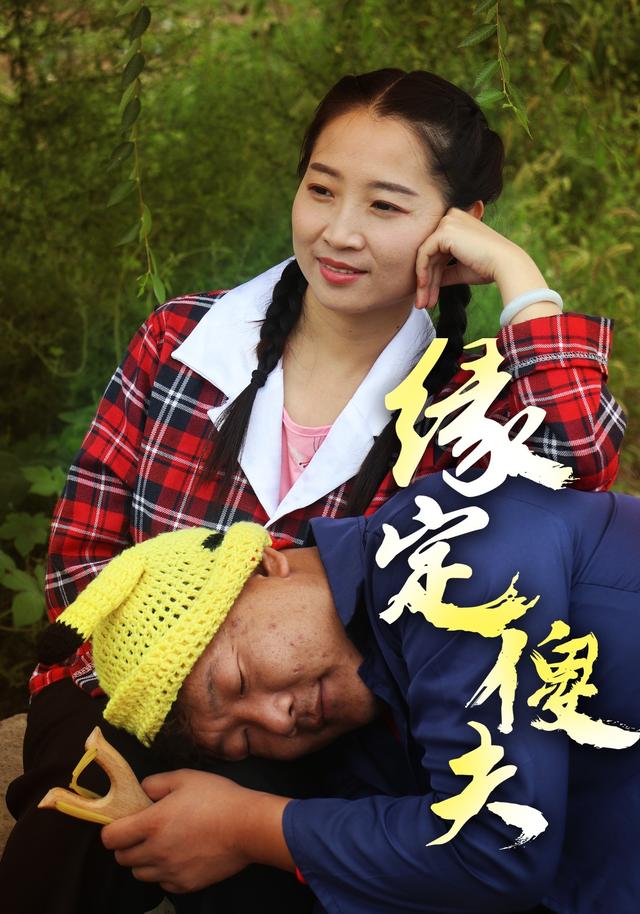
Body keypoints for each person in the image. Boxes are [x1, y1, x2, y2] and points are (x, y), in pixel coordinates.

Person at [0, 67, 626, 914]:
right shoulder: (184, 338)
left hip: (333, 742)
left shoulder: (463, 403)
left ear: (457, 228)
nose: (339, 232)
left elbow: (574, 466)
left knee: (256, 852)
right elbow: (83, 574)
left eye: (386, 206)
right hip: (119, 692)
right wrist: (166, 698)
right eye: (321, 189)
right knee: (96, 802)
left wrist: (519, 277)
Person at [29, 473, 640, 914]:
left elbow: (500, 844)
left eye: (238, 680)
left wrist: (246, 826)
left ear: (267, 565)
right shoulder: (370, 724)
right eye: (244, 740)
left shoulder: (450, 550)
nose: (276, 719)